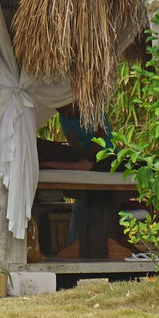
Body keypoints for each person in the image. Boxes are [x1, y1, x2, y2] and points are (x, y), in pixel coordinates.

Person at [55, 102, 116, 248]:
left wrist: (89, 158)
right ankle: (74, 244)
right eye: (61, 112)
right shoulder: (64, 118)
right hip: (85, 161)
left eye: (66, 110)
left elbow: (100, 136)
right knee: (81, 204)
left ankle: (104, 244)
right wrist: (81, 160)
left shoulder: (94, 109)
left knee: (104, 204)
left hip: (106, 156)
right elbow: (73, 143)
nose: (65, 114)